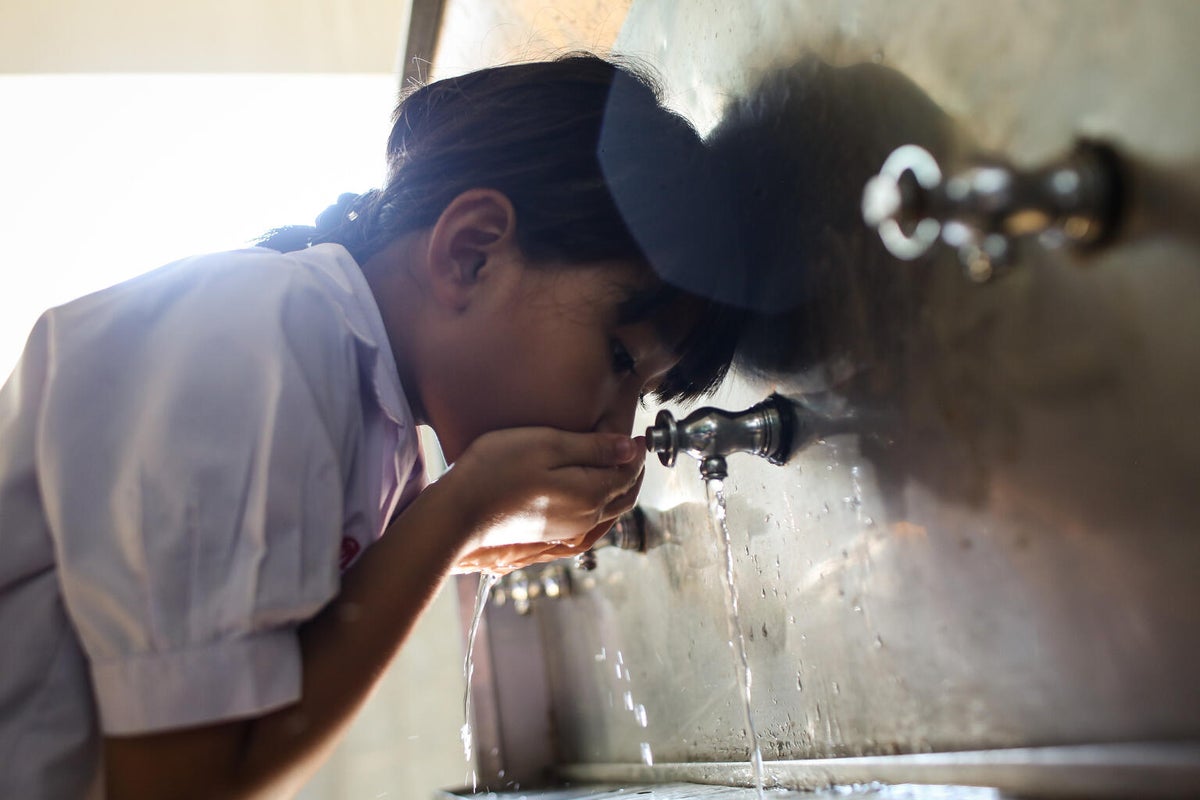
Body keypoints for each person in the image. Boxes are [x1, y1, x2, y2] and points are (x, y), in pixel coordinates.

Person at [0, 53, 742, 798]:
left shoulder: (358, 411)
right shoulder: (261, 335)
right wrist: (458, 509)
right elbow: (186, 787)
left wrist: (455, 531)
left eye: (642, 396)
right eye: (618, 358)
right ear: (471, 253)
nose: (615, 426)